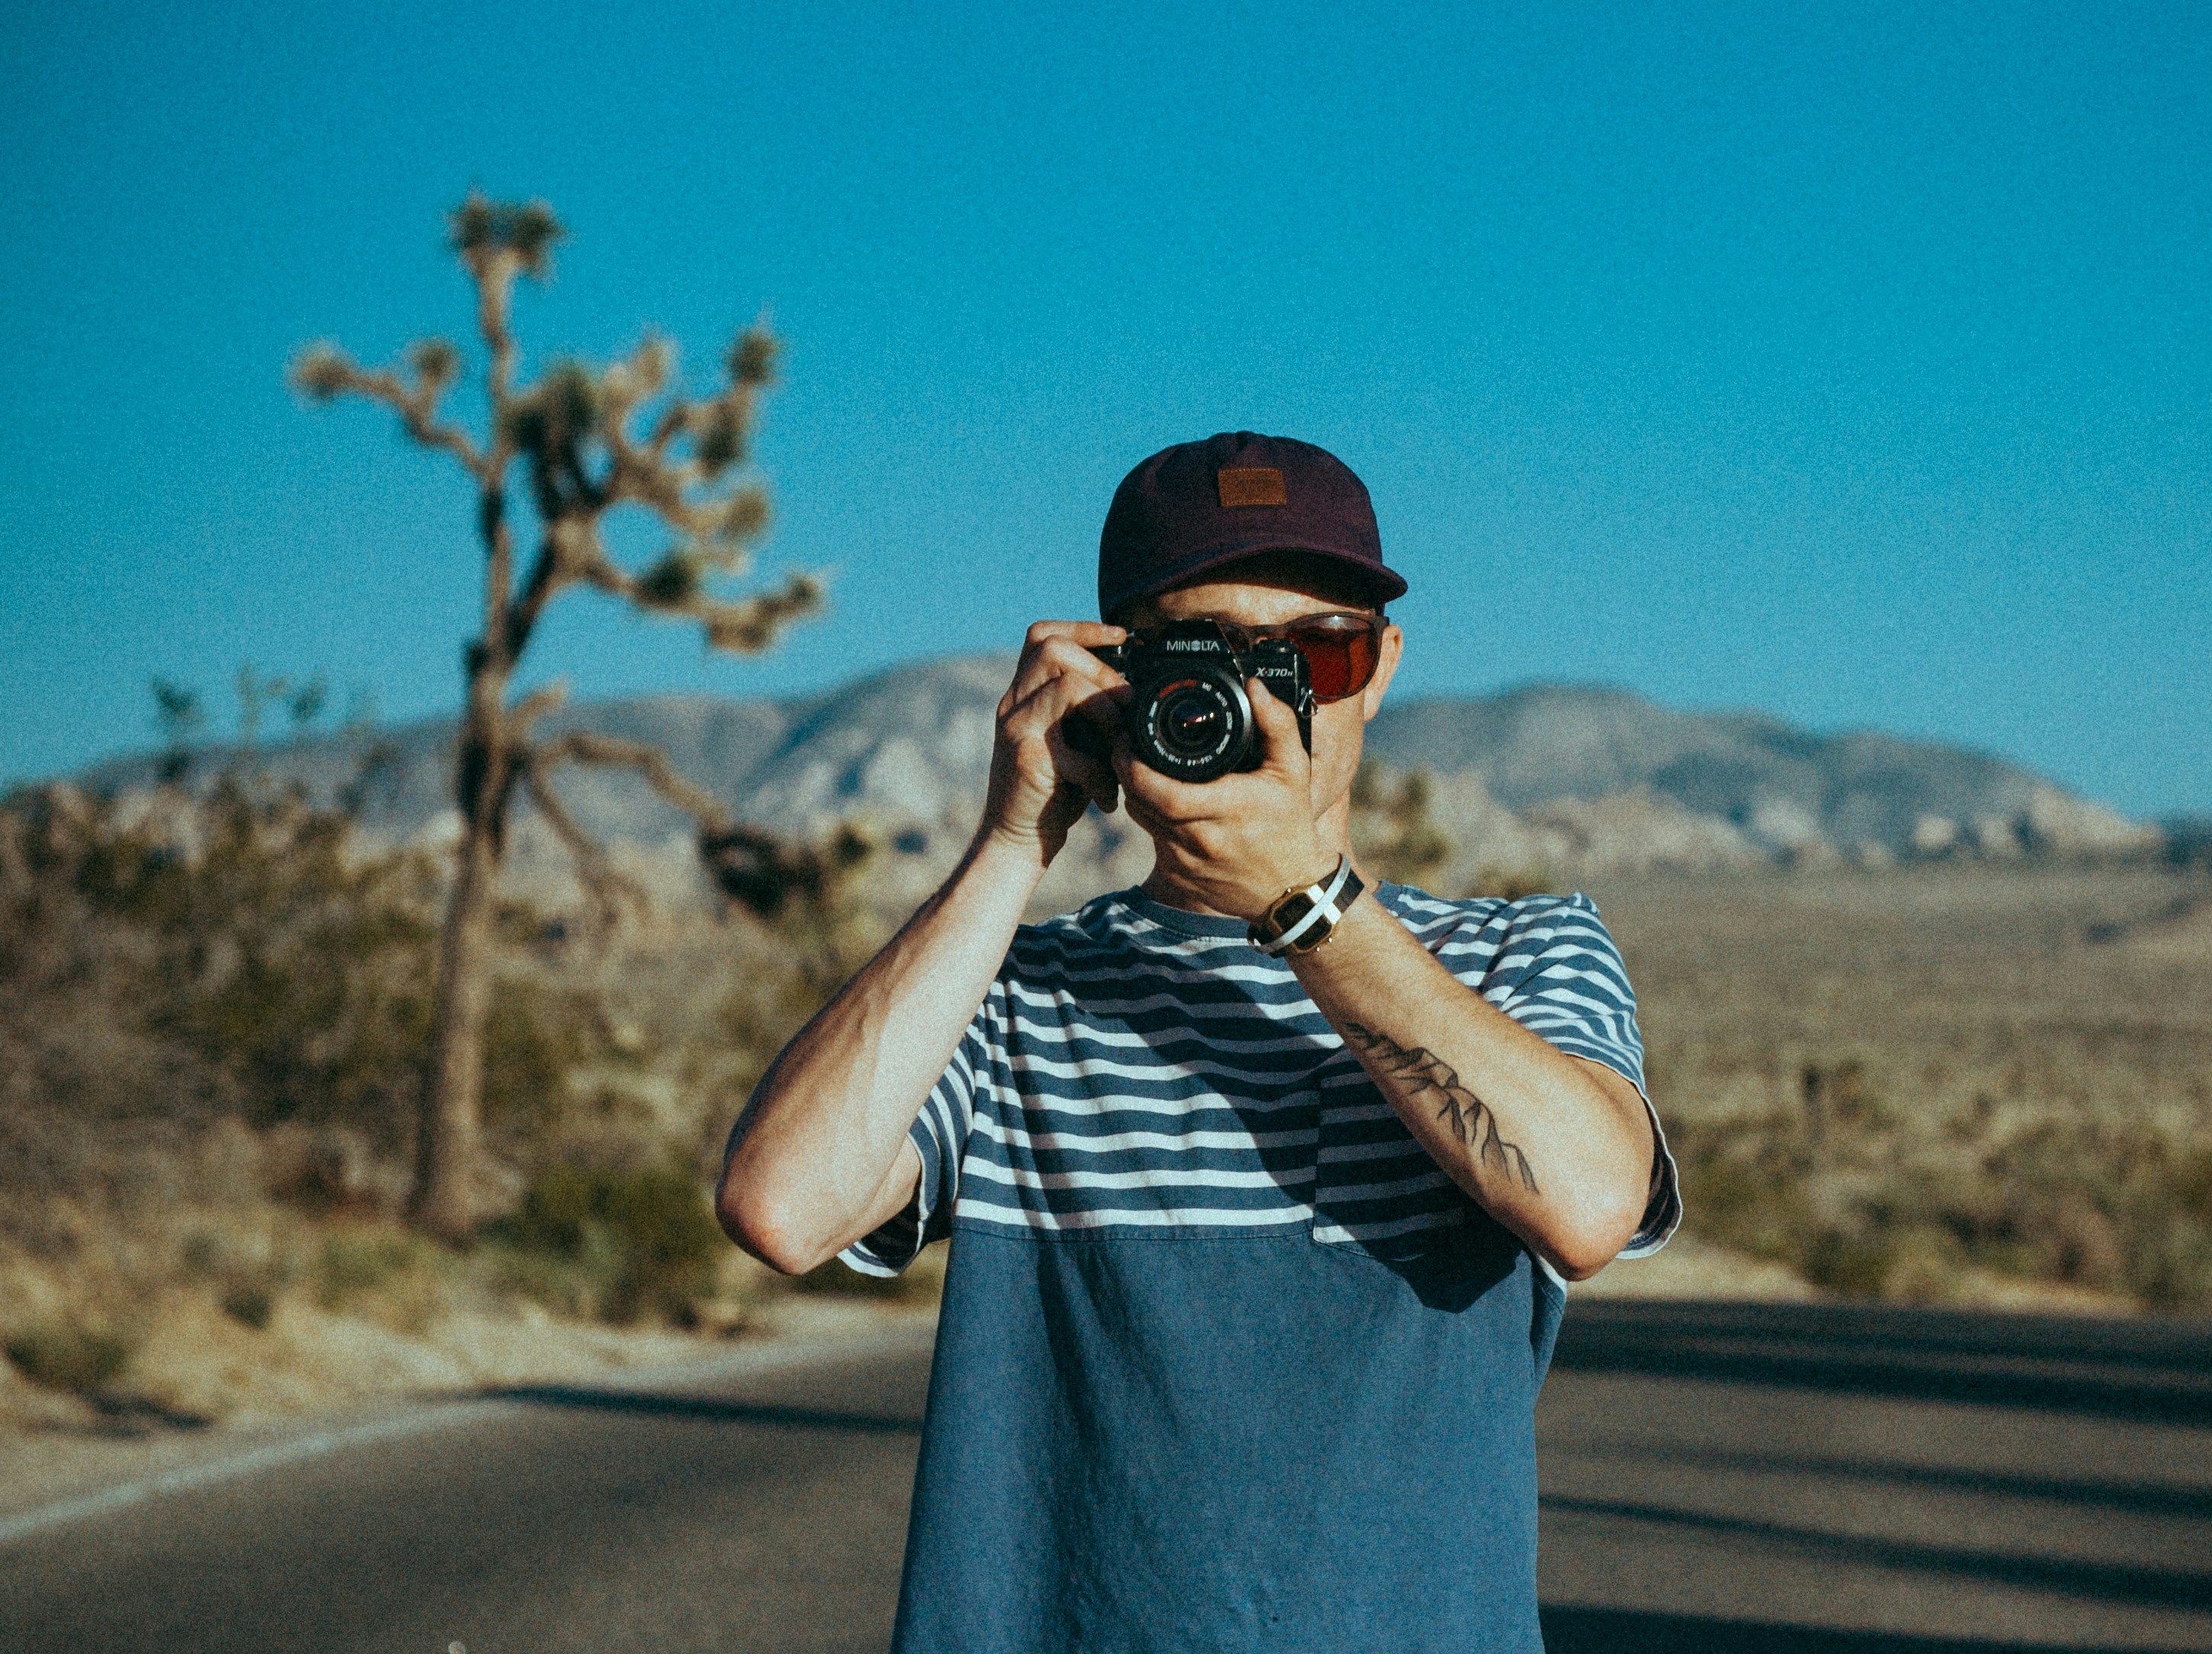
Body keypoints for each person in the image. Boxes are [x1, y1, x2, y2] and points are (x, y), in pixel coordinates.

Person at [716, 430, 1678, 1652]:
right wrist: (1012, 844)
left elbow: (1591, 1207)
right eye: (1208, 654)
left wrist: (1311, 905)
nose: (1272, 696)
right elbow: (781, 1210)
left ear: (1378, 668)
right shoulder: (1009, 993)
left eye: (1313, 653)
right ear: (1112, 672)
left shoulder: (1520, 958)